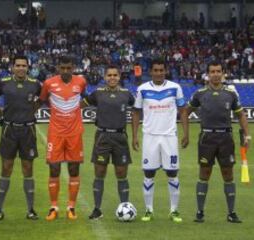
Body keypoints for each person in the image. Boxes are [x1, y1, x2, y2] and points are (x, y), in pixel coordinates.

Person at [186, 61, 250, 223]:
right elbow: (185, 112)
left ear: (223, 73)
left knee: (228, 175)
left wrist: (247, 135)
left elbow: (241, 115)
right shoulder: (199, 94)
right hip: (207, 138)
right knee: (204, 174)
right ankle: (200, 212)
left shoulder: (230, 94)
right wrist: (185, 134)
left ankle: (231, 213)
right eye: (212, 71)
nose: (215, 74)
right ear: (208, 74)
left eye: (218, 71)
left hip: (226, 138)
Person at [132, 58, 189, 223]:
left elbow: (183, 110)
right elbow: (136, 112)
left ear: (165, 71)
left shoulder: (175, 88)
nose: (158, 73)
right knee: (149, 174)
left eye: (161, 70)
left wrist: (186, 133)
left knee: (172, 174)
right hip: (150, 136)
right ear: (151, 71)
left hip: (169, 137)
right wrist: (135, 136)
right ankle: (149, 210)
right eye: (155, 70)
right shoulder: (142, 89)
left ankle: (174, 211)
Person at [81, 65, 135, 219]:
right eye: (109, 75)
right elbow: (79, 106)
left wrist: (136, 135)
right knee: (99, 172)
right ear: (105, 77)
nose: (112, 78)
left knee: (121, 173)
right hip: (102, 137)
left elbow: (138, 109)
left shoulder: (127, 95)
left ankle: (125, 206)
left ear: (119, 77)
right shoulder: (97, 93)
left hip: (120, 137)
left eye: (115, 75)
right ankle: (97, 209)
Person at [0, 55, 41, 221]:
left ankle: (31, 210)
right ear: (12, 67)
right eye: (18, 65)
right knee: (6, 168)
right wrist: (1, 114)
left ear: (28, 67)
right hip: (9, 130)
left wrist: (31, 111)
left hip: (28, 130)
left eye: (24, 65)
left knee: (28, 169)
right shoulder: (4, 82)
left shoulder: (35, 84)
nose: (21, 68)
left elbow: (41, 100)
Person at [39, 55, 86, 221]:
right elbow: (41, 101)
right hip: (55, 133)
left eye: (69, 68)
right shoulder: (49, 83)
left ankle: (71, 207)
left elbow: (85, 99)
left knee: (74, 169)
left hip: (74, 133)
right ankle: (53, 207)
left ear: (73, 67)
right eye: (62, 68)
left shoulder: (81, 82)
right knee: (54, 168)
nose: (65, 71)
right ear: (58, 68)